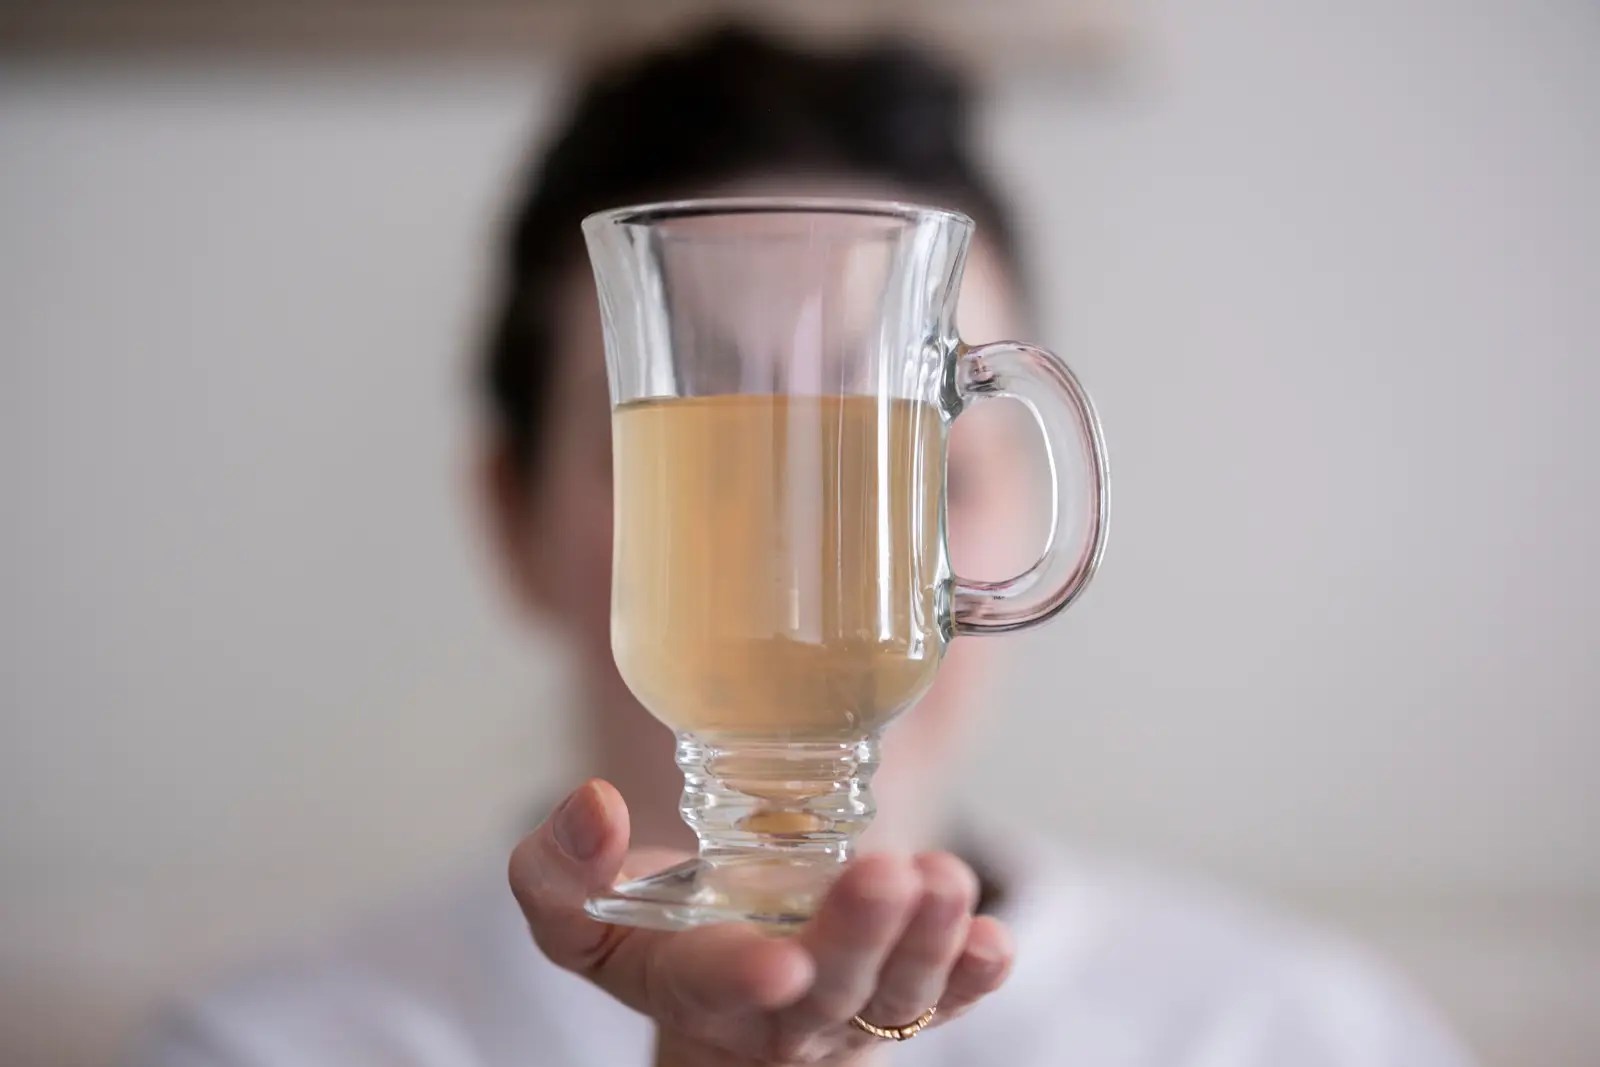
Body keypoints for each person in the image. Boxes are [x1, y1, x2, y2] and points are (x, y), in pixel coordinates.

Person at [129, 24, 1471, 1067]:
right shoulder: (268, 1047)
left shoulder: (1306, 1032)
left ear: (1022, 490)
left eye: (926, 475)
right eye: (705, 488)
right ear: (509, 518)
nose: (796, 571)